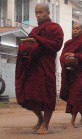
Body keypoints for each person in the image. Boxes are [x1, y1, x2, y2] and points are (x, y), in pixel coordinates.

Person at [15, 3, 64, 134]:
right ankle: (40, 118)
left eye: (41, 12)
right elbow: (28, 44)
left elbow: (56, 46)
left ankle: (46, 125)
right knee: (30, 94)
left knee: (48, 94)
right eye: (36, 12)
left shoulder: (55, 28)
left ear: (48, 13)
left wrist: (38, 39)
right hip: (33, 67)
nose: (38, 15)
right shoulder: (34, 30)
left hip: (46, 66)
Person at [59, 23, 82, 128]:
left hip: (79, 73)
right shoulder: (68, 43)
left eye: (77, 29)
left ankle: (72, 122)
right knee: (68, 95)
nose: (75, 30)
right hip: (68, 73)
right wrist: (66, 59)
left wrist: (76, 56)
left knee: (75, 95)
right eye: (73, 29)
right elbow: (61, 57)